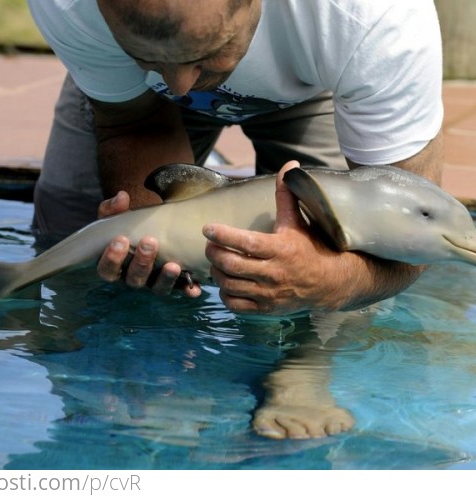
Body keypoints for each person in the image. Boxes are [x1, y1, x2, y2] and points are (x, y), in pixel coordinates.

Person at [28, 0, 444, 439]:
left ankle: (303, 367)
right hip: (138, 100)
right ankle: (102, 370)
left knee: (344, 242)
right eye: (149, 55)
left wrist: (326, 277)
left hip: (311, 78)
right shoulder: (69, 5)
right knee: (72, 236)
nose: (182, 83)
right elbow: (134, 123)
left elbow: (406, 233)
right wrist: (151, 231)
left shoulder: (371, 18)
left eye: (209, 51)